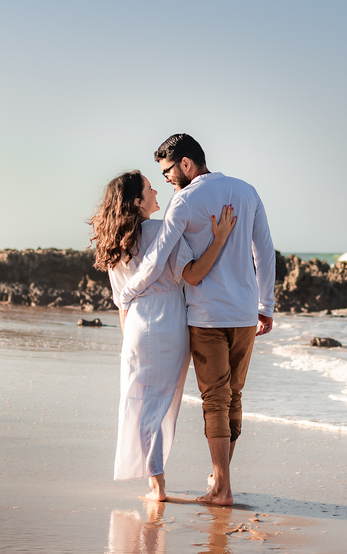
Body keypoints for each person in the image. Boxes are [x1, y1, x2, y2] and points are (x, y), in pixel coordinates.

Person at [119, 134, 274, 506]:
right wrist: (266, 304)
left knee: (215, 401)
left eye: (169, 171)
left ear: (186, 164)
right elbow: (265, 249)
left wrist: (128, 292)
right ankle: (220, 478)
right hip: (243, 313)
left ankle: (221, 487)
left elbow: (159, 257)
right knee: (233, 397)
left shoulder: (183, 202)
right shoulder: (246, 191)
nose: (168, 179)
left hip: (205, 316)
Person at [90, 170, 236, 502]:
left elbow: (121, 300)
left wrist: (128, 339)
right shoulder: (159, 230)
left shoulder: (115, 241)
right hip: (167, 321)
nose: (157, 190)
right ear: (138, 201)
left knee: (142, 402)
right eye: (149, 188)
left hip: (136, 324)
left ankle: (154, 480)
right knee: (160, 404)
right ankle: (157, 485)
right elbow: (195, 275)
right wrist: (220, 238)